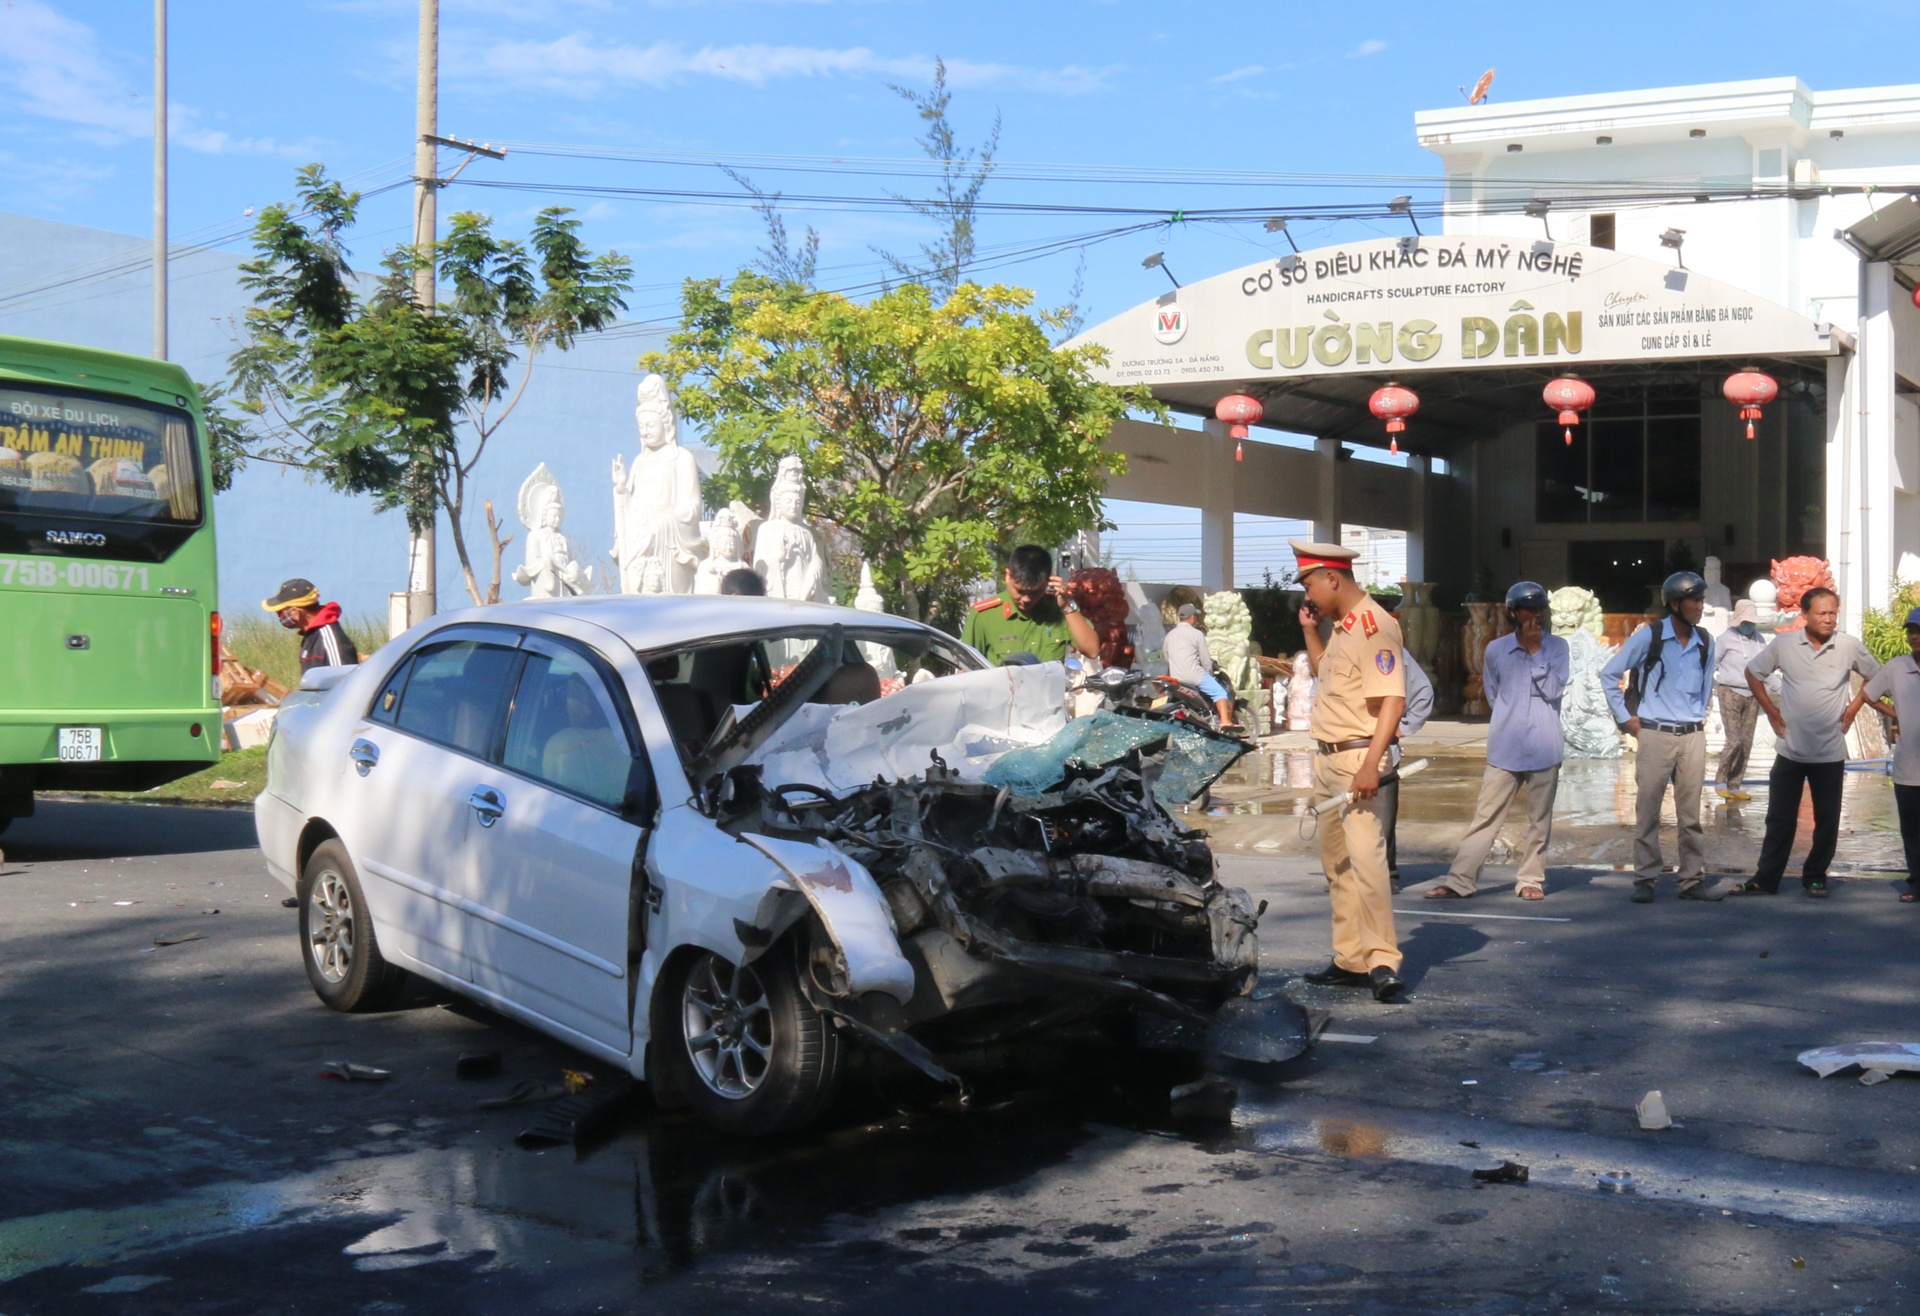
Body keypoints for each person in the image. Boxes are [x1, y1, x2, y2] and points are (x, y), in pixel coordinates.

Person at [1291, 539, 1407, 1003]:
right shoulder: (1342, 625)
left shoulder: (1376, 626)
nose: (1307, 595)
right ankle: (1350, 959)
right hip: (1327, 758)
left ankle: (1381, 960)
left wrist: (1371, 765)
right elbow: (1325, 674)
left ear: (1332, 578)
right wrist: (1310, 631)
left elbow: (1392, 701)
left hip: (1358, 759)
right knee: (1337, 866)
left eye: (1310, 584)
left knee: (1367, 863)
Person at [1733, 587, 1879, 899]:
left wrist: (1853, 709)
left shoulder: (1848, 646)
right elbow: (1753, 672)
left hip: (1829, 751)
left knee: (1827, 821)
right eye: (1822, 613)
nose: (1829, 619)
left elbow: (1875, 678)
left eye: (1833, 613)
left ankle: (1815, 876)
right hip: (1790, 749)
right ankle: (1766, 879)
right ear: (1805, 615)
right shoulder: (1785, 644)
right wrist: (1770, 711)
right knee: (1779, 819)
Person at [1428, 581, 1570, 901]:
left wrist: (1535, 651)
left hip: (1544, 745)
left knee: (1539, 822)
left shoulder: (1558, 648)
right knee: (1485, 817)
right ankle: (1460, 880)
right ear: (1513, 613)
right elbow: (1493, 693)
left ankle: (1530, 879)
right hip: (1505, 745)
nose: (1536, 615)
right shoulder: (1496, 649)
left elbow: (1554, 690)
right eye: (1529, 609)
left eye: (1540, 609)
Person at [1601, 571, 1724, 903]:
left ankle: (1692, 879)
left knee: (1691, 814)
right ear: (1674, 604)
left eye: (1701, 600)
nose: (1700, 606)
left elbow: (1706, 689)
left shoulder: (1706, 641)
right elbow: (1609, 674)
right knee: (1648, 810)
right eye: (1694, 600)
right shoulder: (1650, 637)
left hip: (1692, 736)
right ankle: (1645, 879)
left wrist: (1699, 718)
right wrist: (1627, 720)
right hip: (1655, 734)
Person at [1846, 607, 1920, 903]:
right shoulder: (1897, 667)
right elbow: (1868, 694)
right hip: (1908, 767)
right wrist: (1897, 713)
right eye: (1911, 631)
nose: (1915, 637)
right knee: (1912, 831)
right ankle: (1916, 883)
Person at [960, 544, 1099, 665]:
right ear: (1008, 576)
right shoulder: (985, 615)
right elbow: (966, 669)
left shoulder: (1059, 609)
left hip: (1047, 694)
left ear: (1048, 582)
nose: (1026, 599)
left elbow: (1092, 650)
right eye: (1020, 591)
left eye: (1035, 592)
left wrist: (1067, 607)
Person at [1381, 650, 1434, 895]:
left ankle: (1386, 875)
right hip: (1340, 754)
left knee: (1382, 821)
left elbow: (1423, 693)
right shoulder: (1336, 648)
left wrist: (1401, 728)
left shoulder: (1389, 652)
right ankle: (1343, 875)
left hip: (1381, 754)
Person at [1713, 600, 1770, 801]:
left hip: (1752, 693)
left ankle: (1735, 784)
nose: (1749, 625)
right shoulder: (1725, 639)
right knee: (1734, 740)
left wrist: (1780, 688)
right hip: (1729, 691)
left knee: (1746, 742)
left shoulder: (1759, 640)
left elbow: (1765, 668)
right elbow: (1712, 664)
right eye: (1746, 621)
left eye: (1752, 622)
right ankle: (1720, 780)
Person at [1164, 603, 1239, 730]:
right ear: (1192, 617)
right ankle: (1225, 721)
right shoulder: (1197, 634)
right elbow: (1205, 660)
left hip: (1175, 678)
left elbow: (1167, 657)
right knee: (1219, 692)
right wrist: (1209, 673)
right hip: (1194, 676)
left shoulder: (1169, 635)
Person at [262, 578, 359, 673]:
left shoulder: (328, 638)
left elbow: (341, 680)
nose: (279, 616)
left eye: (280, 612)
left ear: (295, 612)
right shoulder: (311, 636)